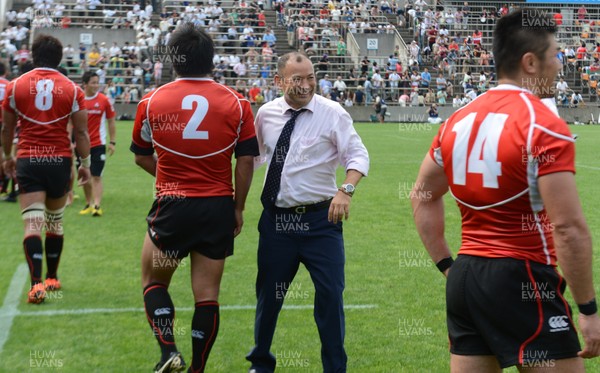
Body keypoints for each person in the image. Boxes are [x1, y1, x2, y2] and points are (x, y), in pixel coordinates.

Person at [411, 10, 600, 372]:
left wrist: (448, 265)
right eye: (555, 55)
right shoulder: (545, 126)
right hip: (523, 277)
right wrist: (588, 309)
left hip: (466, 280)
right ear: (530, 62)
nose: (560, 66)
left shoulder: (456, 120)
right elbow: (568, 229)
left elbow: (422, 195)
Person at [130, 23, 258, 373]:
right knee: (207, 294)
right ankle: (198, 369)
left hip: (172, 206)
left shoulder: (151, 101)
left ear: (174, 58)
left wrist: (171, 178)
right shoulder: (238, 103)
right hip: (217, 206)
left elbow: (141, 155)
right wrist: (238, 207)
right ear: (211, 60)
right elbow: (246, 159)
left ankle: (168, 350)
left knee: (154, 282)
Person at [246, 51, 370, 373]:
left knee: (330, 297)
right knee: (268, 297)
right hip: (276, 223)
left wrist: (346, 190)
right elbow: (253, 160)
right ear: (279, 81)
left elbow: (358, 156)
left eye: (311, 77)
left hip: (321, 223)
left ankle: (334, 368)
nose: (306, 85)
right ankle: (260, 362)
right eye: (297, 79)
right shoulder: (266, 115)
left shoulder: (333, 113)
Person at [1, 34, 91, 304]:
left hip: (29, 159)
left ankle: (36, 285)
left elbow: (6, 128)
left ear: (31, 56)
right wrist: (84, 165)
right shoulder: (73, 90)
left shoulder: (15, 86)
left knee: (32, 223)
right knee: (54, 221)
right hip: (59, 161)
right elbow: (82, 132)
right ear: (60, 58)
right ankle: (52, 277)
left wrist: (7, 156)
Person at [78, 71, 116, 217]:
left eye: (97, 82)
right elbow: (70, 121)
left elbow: (111, 121)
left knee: (96, 175)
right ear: (85, 84)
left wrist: (112, 142)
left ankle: (97, 205)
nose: (96, 85)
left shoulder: (104, 100)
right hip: (81, 145)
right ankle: (88, 203)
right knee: (84, 177)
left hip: (98, 144)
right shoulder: (78, 99)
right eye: (93, 82)